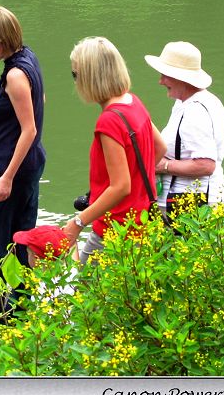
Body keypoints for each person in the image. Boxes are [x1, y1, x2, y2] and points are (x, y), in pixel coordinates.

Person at [63, 36, 166, 264]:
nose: (75, 82)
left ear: (91, 77)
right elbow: (160, 147)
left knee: (85, 291)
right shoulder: (133, 102)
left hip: (115, 230)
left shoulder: (109, 120)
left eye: (76, 75)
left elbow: (120, 186)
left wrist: (78, 222)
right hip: (143, 223)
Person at [0, 5, 46, 316]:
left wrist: (7, 177)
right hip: (28, 166)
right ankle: (18, 309)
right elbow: (38, 101)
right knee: (19, 238)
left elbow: (29, 129)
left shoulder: (15, 75)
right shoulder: (27, 60)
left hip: (11, 171)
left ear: (6, 38)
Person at [144, 41, 224, 221]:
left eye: (165, 75)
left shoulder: (196, 110)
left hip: (194, 206)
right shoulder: (190, 102)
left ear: (180, 77)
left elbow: (206, 164)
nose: (160, 81)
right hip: (186, 204)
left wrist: (163, 166)